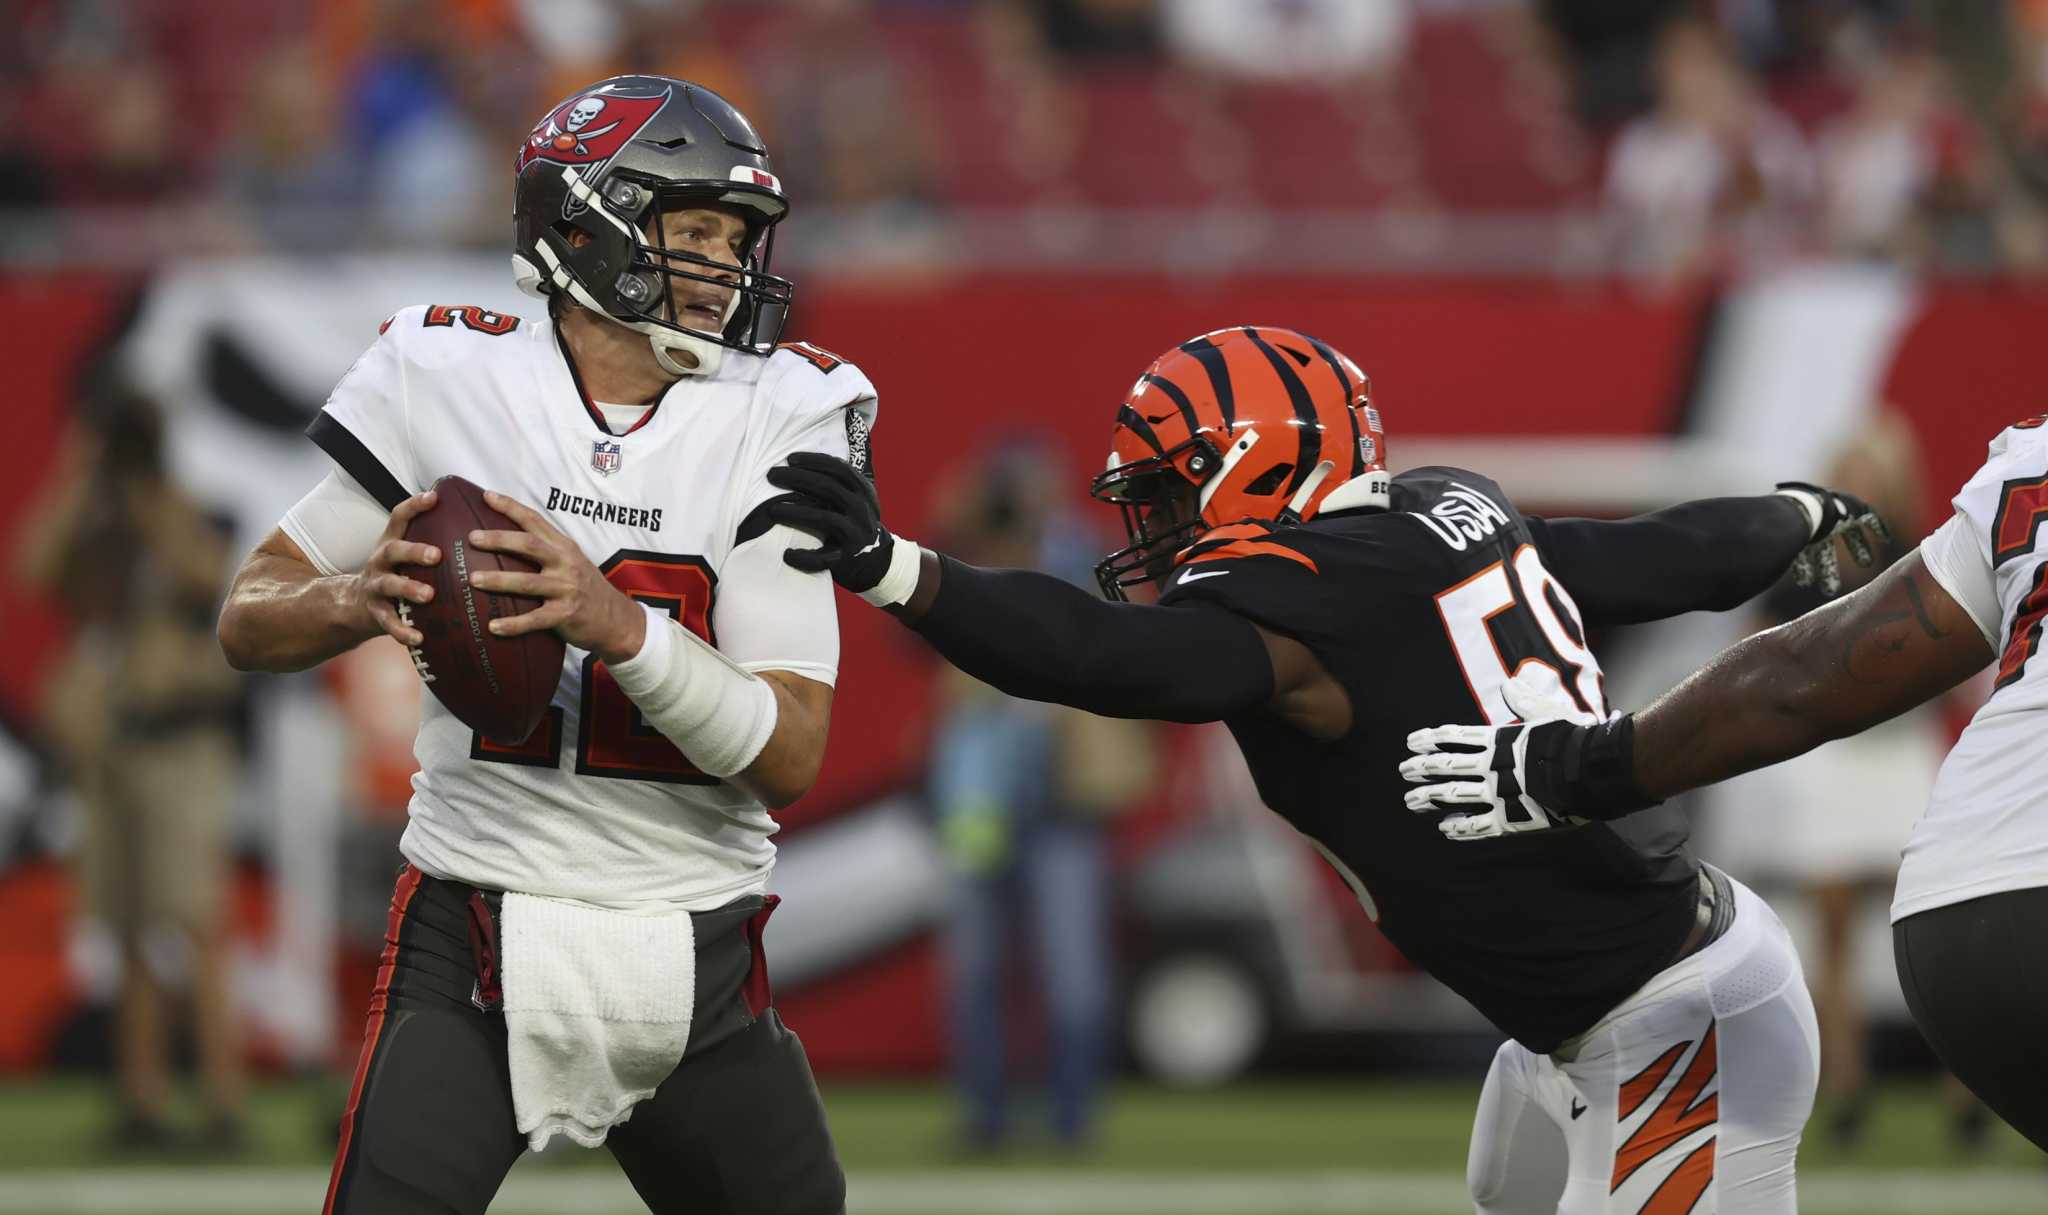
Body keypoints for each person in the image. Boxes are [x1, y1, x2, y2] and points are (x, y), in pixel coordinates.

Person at [764, 324, 1885, 1213]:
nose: (1152, 523)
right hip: (1601, 1004)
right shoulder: (1440, 516)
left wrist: (893, 567)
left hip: (1670, 1020)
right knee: (1508, 1188)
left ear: (1257, 465)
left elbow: (1104, 657)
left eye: (1170, 487)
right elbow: (1656, 556)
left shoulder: (1304, 598)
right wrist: (1793, 513)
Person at [215, 76, 869, 1215]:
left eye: (738, 237)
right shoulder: (446, 373)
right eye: (695, 229)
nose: (727, 264)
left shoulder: (785, 410)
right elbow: (250, 611)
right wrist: (354, 597)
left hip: (695, 949)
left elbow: (789, 753)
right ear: (586, 223)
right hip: (473, 926)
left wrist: (615, 625)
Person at [1400, 410, 2048, 1154]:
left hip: (1954, 904)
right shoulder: (1843, 546)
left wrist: (1572, 765)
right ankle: (1850, 1093)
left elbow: (1794, 677)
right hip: (1898, 792)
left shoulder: (2020, 472)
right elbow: (1782, 652)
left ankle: (1939, 1105)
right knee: (1832, 933)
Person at [16, 383, 247, 1154]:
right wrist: (80, 478)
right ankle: (142, 1102)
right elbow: (30, 566)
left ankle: (223, 1102)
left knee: (194, 920)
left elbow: (201, 575)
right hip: (111, 746)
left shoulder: (187, 506)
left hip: (181, 742)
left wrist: (151, 491)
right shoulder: (93, 518)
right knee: (127, 927)